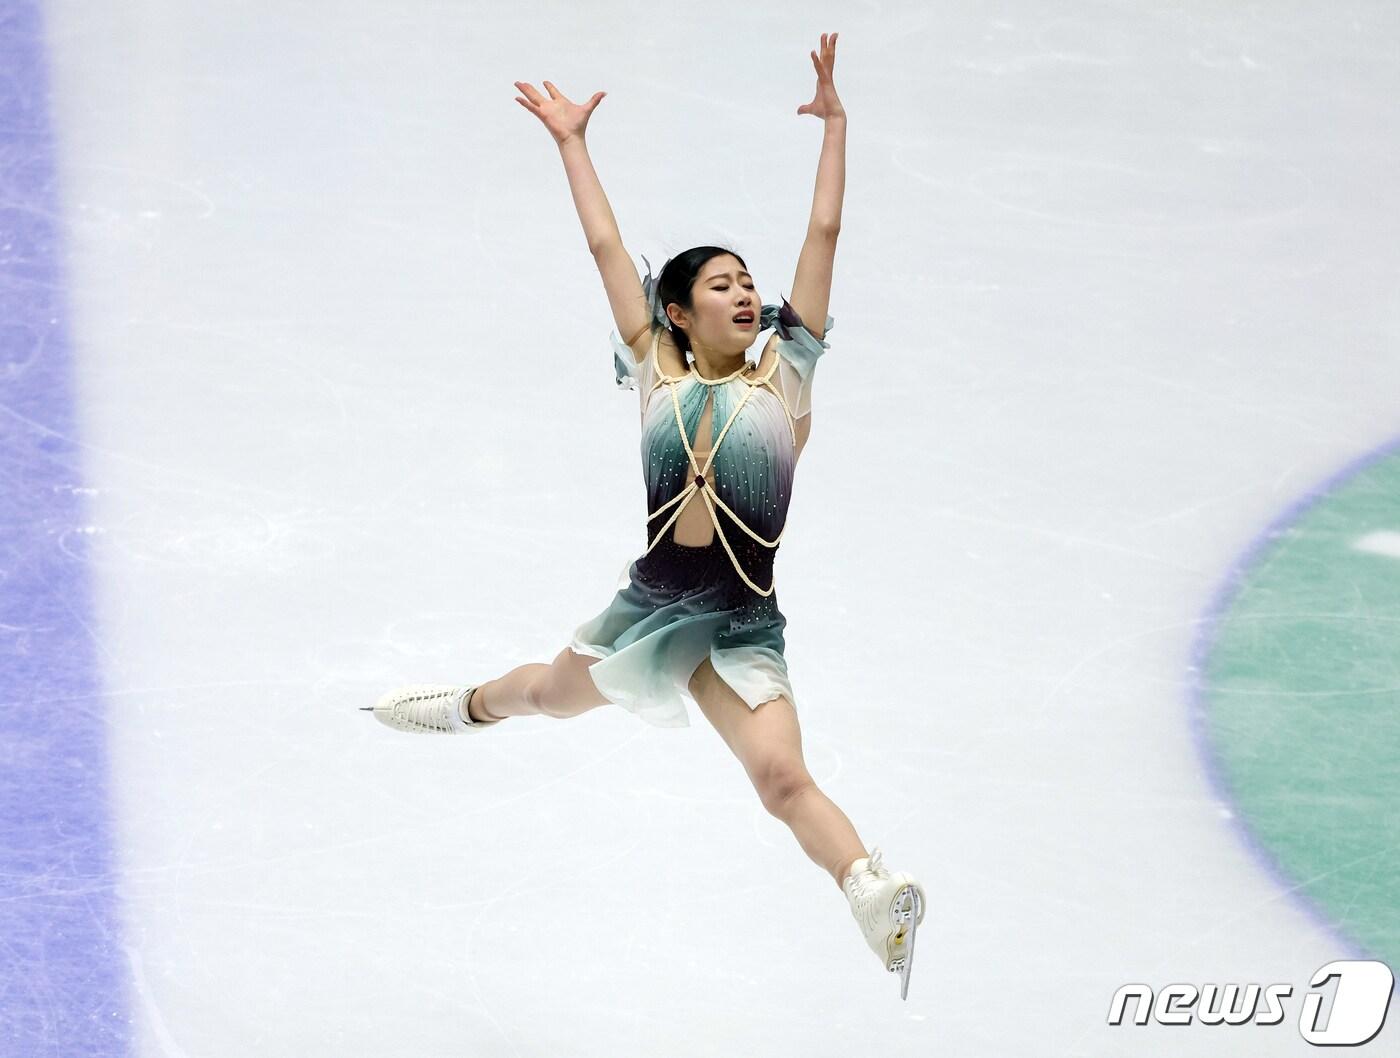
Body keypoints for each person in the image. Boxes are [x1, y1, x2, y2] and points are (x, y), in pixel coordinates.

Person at [362, 32, 927, 998]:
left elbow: (822, 239)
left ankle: (870, 887)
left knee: (781, 780)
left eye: (749, 282)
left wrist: (835, 126)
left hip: (741, 625)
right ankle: (466, 708)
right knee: (546, 693)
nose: (747, 292)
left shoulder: (785, 381)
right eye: (722, 284)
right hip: (647, 609)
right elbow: (606, 248)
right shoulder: (654, 373)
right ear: (677, 313)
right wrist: (571, 142)